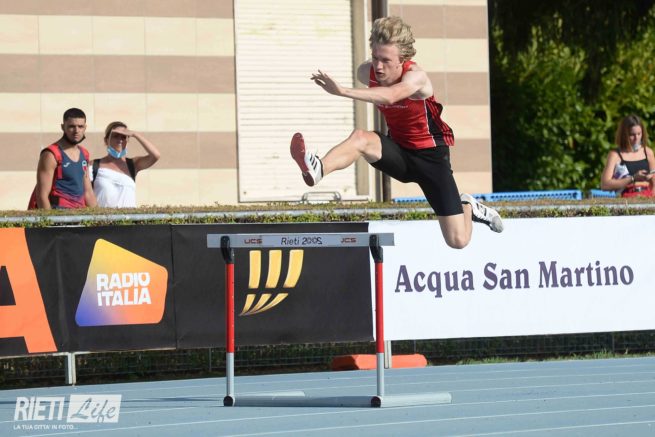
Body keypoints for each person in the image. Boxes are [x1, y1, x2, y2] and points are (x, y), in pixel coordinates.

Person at [290, 16, 502, 249]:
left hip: (431, 158)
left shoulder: (417, 77)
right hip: (399, 152)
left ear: (402, 59)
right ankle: (318, 168)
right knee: (361, 138)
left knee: (457, 241)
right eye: (375, 57)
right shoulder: (366, 72)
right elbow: (378, 87)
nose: (379, 67)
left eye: (386, 61)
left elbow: (391, 96)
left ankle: (467, 205)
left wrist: (342, 91)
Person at [32, 107, 96, 209]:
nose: (76, 131)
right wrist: (49, 218)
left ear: (85, 128)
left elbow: (88, 192)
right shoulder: (51, 154)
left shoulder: (84, 153)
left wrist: (100, 216)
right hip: (58, 213)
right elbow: (42, 195)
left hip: (80, 213)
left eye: (80, 126)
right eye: (71, 126)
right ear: (63, 127)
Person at [91, 121, 161, 208]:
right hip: (103, 216)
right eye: (116, 136)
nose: (120, 140)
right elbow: (86, 194)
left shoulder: (133, 164)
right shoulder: (94, 165)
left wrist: (135, 134)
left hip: (129, 216)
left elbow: (155, 155)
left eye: (123, 137)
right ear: (106, 140)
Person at [601, 115, 654, 198]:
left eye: (639, 134)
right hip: (625, 199)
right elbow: (605, 185)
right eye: (632, 135)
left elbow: (654, 184)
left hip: (646, 197)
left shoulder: (648, 152)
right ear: (624, 135)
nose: (636, 138)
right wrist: (633, 178)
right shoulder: (615, 155)